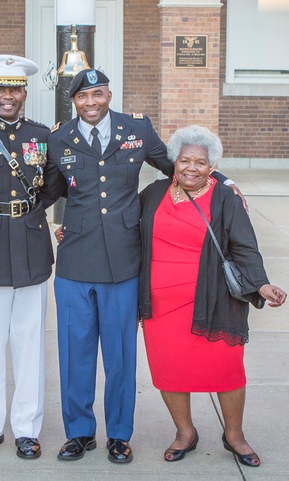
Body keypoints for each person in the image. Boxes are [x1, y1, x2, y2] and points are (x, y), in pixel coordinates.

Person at [41, 68, 239, 465]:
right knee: (74, 353)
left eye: (97, 94)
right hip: (76, 260)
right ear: (73, 102)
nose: (91, 102)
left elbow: (179, 170)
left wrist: (227, 184)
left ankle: (118, 435)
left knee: (120, 356)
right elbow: (48, 191)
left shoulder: (137, 130)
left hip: (125, 260)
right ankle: (79, 432)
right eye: (83, 97)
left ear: (109, 94)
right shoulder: (59, 138)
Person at [138, 124, 287, 466]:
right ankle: (184, 433)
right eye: (185, 160)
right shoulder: (153, 192)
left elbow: (245, 247)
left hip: (213, 298)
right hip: (160, 304)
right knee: (169, 370)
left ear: (212, 167)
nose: (191, 168)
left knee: (226, 369)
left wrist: (261, 284)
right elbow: (126, 229)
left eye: (200, 163)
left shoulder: (224, 197)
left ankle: (234, 435)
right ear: (174, 161)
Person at [0, 54, 54, 461]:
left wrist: (35, 210)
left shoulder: (42, 135)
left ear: (24, 92)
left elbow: (55, 184)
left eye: (14, 89)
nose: (7, 96)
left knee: (29, 341)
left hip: (31, 242)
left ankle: (26, 428)